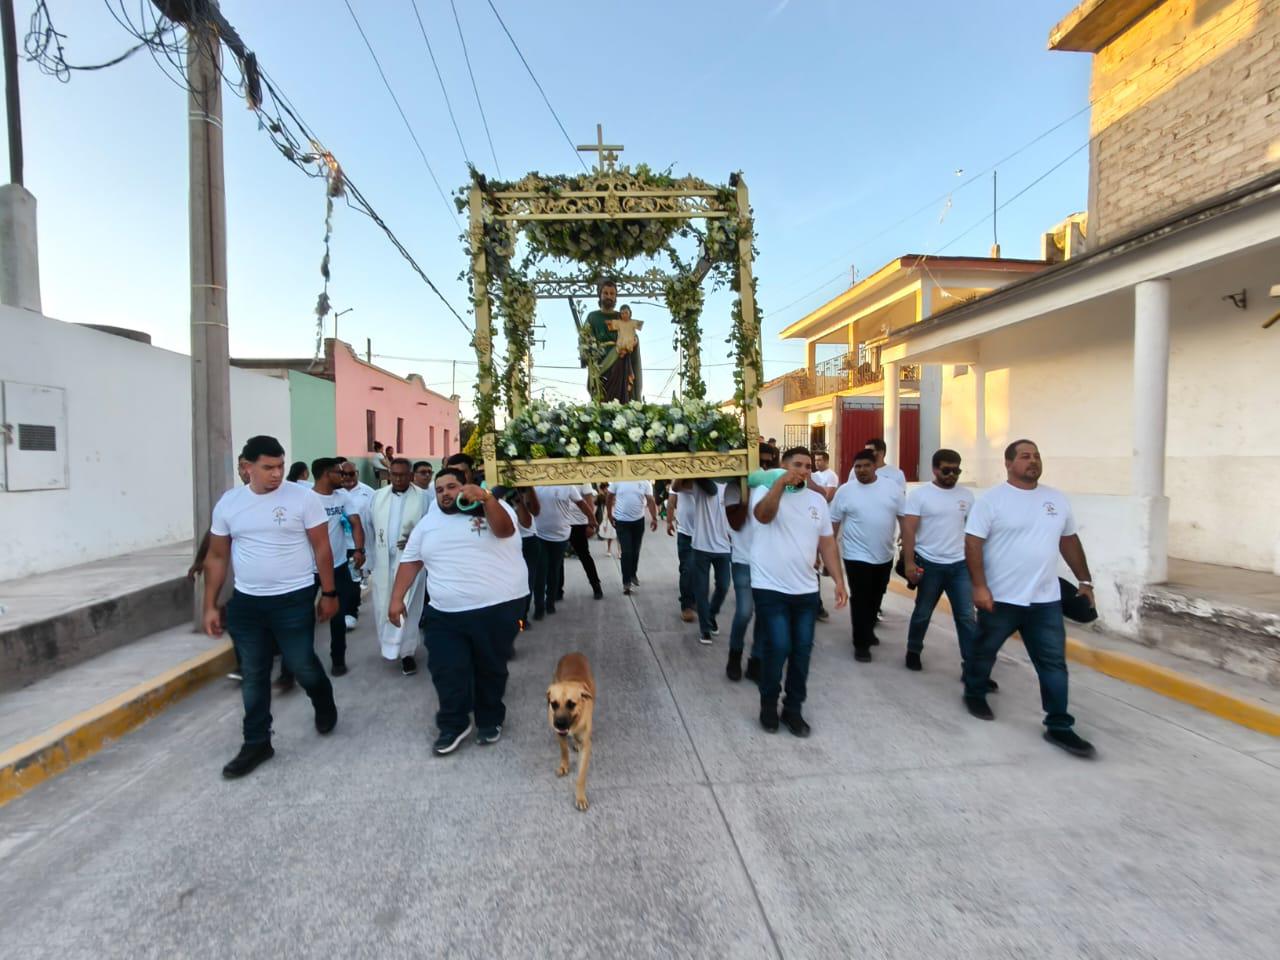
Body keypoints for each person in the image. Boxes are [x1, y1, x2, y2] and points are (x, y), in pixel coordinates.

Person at [201, 435, 339, 779]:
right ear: (247, 467)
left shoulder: (303, 499)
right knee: (254, 674)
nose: (277, 473)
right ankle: (257, 742)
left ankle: (323, 700)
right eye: (268, 467)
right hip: (247, 603)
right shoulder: (230, 504)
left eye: (280, 466)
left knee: (302, 665)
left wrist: (329, 592)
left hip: (294, 598)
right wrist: (210, 605)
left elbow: (322, 548)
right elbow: (216, 556)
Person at [963, 439, 1097, 758]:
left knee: (1053, 663)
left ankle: (1059, 724)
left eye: (1036, 456)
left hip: (1045, 600)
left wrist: (1085, 580)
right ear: (1008, 463)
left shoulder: (1056, 499)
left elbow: (1069, 540)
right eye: (1025, 456)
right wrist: (979, 587)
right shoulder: (992, 501)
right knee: (984, 651)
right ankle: (975, 692)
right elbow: (972, 543)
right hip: (1001, 597)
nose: (1033, 461)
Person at [388, 468, 527, 756]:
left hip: (497, 608)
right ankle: (453, 724)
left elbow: (505, 530)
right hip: (444, 614)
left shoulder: (494, 508)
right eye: (439, 490)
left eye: (451, 487)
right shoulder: (428, 524)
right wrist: (396, 598)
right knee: (447, 669)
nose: (445, 494)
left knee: (490, 669)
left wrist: (487, 499)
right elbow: (411, 561)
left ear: (466, 487)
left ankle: (489, 719)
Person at [750, 446, 847, 737]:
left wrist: (839, 580)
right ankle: (768, 705)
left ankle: (793, 709)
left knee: (802, 651)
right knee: (779, 646)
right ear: (783, 465)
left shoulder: (817, 500)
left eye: (808, 466)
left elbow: (827, 543)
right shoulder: (765, 491)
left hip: (805, 589)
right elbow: (763, 516)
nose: (804, 471)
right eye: (797, 465)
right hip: (769, 586)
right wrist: (780, 483)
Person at [899, 449, 977, 673]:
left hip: (960, 566)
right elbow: (909, 530)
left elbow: (973, 531)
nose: (952, 475)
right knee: (923, 612)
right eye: (946, 470)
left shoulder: (967, 496)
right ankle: (913, 650)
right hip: (929, 563)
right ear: (934, 469)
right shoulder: (920, 496)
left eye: (956, 471)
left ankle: (973, 668)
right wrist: (909, 563)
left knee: (966, 617)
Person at [830, 449, 903, 662]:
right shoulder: (845, 491)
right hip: (855, 554)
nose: (861, 470)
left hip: (884, 554)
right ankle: (861, 643)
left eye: (866, 465)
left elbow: (904, 517)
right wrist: (827, 553)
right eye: (857, 466)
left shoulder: (892, 488)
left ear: (875, 467)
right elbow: (833, 522)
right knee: (861, 598)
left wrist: (908, 545)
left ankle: (868, 629)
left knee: (876, 596)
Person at [723, 443, 778, 682]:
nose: (764, 467)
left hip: (768, 562)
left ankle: (757, 659)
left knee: (764, 614)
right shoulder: (734, 488)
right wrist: (749, 493)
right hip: (743, 560)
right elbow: (735, 523)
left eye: (768, 462)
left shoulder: (775, 487)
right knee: (745, 612)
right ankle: (734, 656)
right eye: (759, 462)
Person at [369, 458, 429, 675]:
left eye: (403, 475)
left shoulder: (424, 498)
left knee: (410, 605)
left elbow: (430, 526)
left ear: (411, 476)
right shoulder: (378, 497)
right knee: (383, 604)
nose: (398, 478)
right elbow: (369, 527)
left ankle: (407, 653)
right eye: (394, 474)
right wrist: (370, 557)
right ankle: (388, 646)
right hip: (383, 561)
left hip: (411, 561)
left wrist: (416, 539)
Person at [310, 458, 365, 675]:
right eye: (339, 473)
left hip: (338, 566)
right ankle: (293, 668)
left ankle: (338, 660)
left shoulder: (343, 497)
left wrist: (359, 550)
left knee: (338, 617)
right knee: (302, 620)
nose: (343, 477)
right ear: (326, 474)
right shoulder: (307, 500)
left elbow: (356, 523)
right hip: (308, 570)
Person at [675, 478, 732, 645]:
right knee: (701, 590)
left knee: (723, 585)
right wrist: (687, 471)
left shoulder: (731, 484)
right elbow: (676, 487)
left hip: (723, 546)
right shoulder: (698, 484)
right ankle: (705, 629)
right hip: (701, 546)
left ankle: (711, 615)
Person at [532, 484, 593, 618]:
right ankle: (539, 607)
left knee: (554, 570)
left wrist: (592, 519)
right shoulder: (534, 485)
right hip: (539, 534)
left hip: (560, 536)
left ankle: (550, 602)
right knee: (541, 571)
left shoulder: (568, 485)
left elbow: (581, 503)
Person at [585, 278, 643, 402]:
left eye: (612, 294)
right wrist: (588, 348)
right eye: (605, 293)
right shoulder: (592, 317)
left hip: (620, 363)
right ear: (600, 295)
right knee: (601, 399)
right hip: (601, 364)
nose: (609, 296)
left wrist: (633, 342)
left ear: (616, 297)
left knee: (621, 400)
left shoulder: (621, 316)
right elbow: (585, 339)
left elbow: (632, 334)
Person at [338, 460, 375, 628]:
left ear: (357, 474)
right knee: (341, 581)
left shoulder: (369, 493)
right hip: (338, 545)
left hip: (356, 545)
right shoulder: (334, 492)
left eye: (351, 474)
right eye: (343, 474)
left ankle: (350, 613)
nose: (347, 477)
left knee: (353, 580)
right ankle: (343, 610)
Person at [608, 480, 658, 595]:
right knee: (626, 552)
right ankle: (626, 582)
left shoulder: (645, 482)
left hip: (638, 521)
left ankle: (632, 574)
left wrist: (654, 518)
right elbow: (609, 497)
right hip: (621, 521)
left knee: (635, 551)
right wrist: (609, 514)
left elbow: (650, 500)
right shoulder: (618, 480)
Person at [809, 450, 839, 621]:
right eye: (816, 460)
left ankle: (816, 605)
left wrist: (810, 486)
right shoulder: (813, 476)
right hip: (810, 522)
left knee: (819, 561)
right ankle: (815, 604)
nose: (817, 463)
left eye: (820, 460)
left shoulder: (831, 476)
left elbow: (827, 497)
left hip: (822, 522)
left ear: (826, 460)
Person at [564, 484, 603, 600]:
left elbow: (589, 502)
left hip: (578, 523)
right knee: (557, 559)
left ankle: (596, 586)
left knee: (584, 555)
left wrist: (590, 522)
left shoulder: (583, 480)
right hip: (560, 523)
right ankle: (557, 590)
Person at [666, 488, 696, 619]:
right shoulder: (678, 480)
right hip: (685, 532)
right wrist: (669, 521)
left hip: (704, 532)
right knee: (687, 568)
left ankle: (693, 598)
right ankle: (686, 605)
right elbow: (671, 501)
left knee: (698, 569)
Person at [514, 488, 541, 625]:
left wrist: (524, 492)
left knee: (528, 580)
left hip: (528, 538)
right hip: (505, 541)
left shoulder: (525, 488)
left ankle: (522, 618)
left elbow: (534, 513)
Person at [596, 484, 616, 557]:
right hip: (609, 519)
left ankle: (620, 551)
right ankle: (609, 549)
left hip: (618, 518)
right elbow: (605, 516)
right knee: (610, 536)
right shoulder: (604, 497)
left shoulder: (617, 500)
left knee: (619, 537)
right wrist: (604, 525)